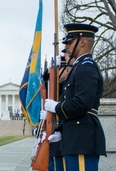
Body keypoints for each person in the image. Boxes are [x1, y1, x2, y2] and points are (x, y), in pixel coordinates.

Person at [45, 23, 106, 171]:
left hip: (81, 138)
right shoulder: (80, 67)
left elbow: (81, 103)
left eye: (70, 42)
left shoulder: (86, 67)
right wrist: (61, 131)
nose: (68, 46)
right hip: (75, 137)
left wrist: (57, 107)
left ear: (83, 42)